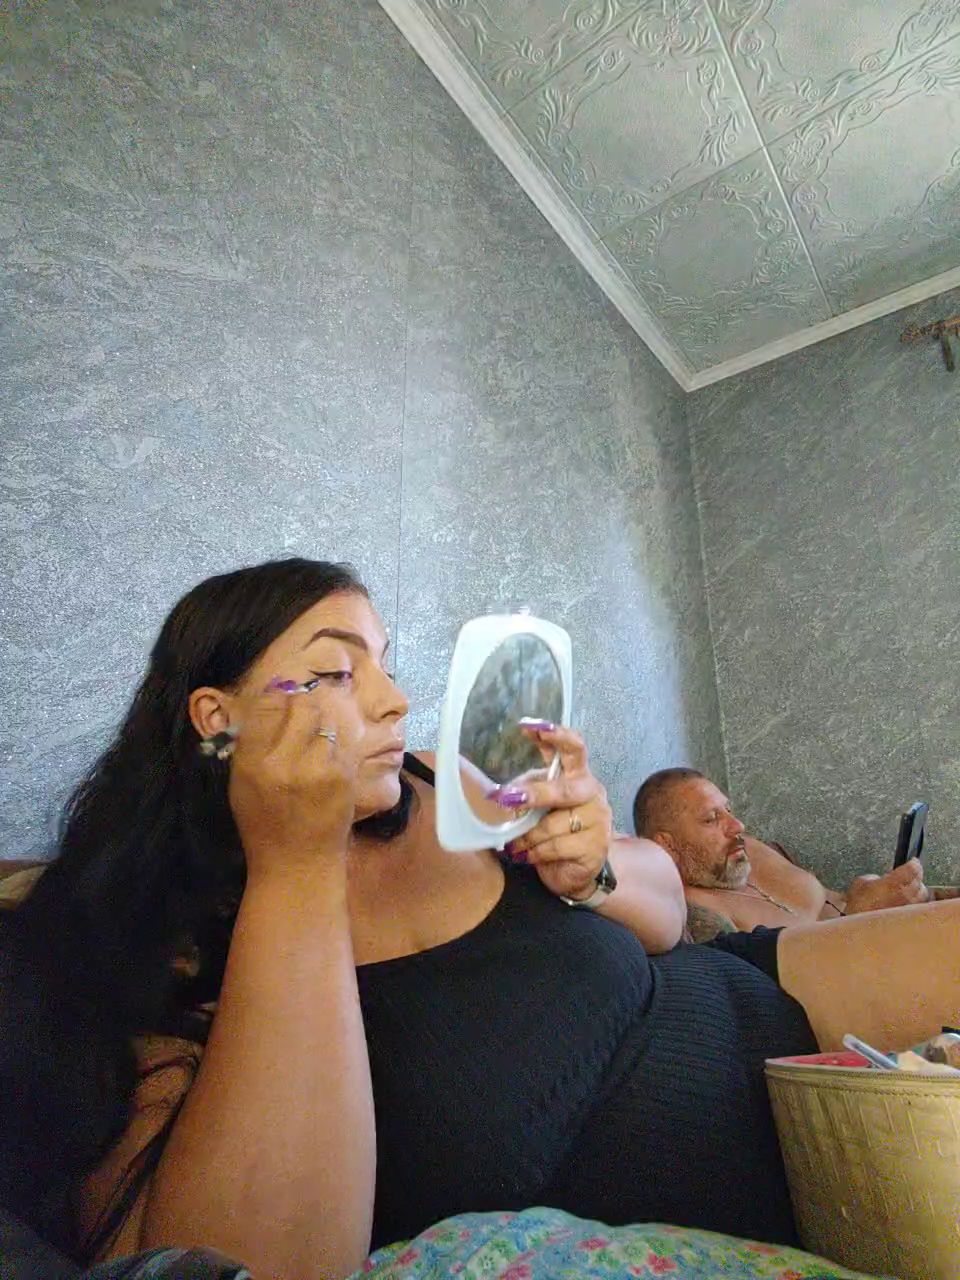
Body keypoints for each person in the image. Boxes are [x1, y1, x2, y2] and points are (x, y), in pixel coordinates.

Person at [1, 560, 956, 1280]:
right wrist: (294, 864)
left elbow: (667, 911)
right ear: (218, 717)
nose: (394, 701)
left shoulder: (432, 778)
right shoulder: (152, 949)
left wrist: (591, 868)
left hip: (753, 999)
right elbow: (240, 1261)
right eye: (337, 672)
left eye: (383, 663)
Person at [633, 768, 932, 940]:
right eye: (711, 819)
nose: (737, 826)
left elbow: (829, 901)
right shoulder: (701, 917)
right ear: (668, 845)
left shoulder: (741, 851)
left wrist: (866, 894)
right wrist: (860, 920)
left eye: (728, 810)